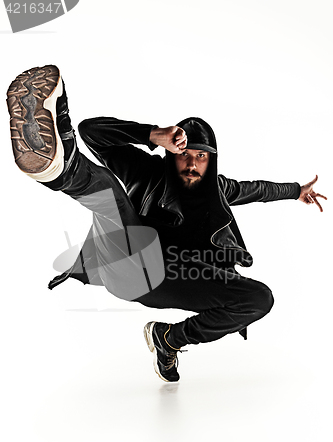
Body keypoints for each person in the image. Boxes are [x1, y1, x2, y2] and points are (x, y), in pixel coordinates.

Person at [7, 65, 327, 383]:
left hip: (178, 278)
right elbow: (92, 131)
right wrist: (152, 134)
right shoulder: (146, 171)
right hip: (126, 260)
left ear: (211, 160)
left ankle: (168, 340)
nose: (191, 162)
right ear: (172, 152)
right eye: (185, 153)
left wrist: (297, 191)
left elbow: (259, 190)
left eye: (201, 156)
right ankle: (57, 161)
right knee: (111, 198)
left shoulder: (219, 188)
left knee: (259, 298)